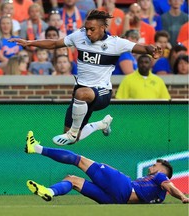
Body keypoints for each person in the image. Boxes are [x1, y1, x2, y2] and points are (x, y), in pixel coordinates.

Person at [10, 9, 163, 146]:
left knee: (81, 97)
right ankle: (100, 125)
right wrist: (30, 42)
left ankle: (73, 131)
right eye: (86, 28)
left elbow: (142, 48)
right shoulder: (79, 36)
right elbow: (54, 43)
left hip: (101, 92)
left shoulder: (116, 43)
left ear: (103, 28)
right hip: (81, 94)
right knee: (72, 141)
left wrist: (152, 50)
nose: (88, 32)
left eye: (92, 29)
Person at [24, 131, 189, 204]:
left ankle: (36, 148)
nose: (151, 167)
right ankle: (50, 192)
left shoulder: (160, 178)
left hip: (123, 187)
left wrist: (182, 197)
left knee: (79, 160)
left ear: (162, 171)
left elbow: (170, 186)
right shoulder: (158, 197)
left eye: (155, 165)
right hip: (116, 201)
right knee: (72, 180)